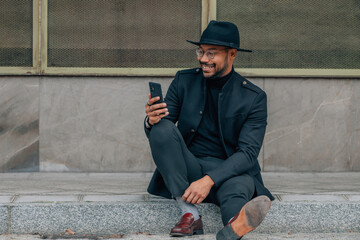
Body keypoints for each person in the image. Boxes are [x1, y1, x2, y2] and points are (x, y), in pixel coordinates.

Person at [144, 20, 274, 240]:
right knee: (162, 128)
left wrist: (208, 181)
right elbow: (162, 137)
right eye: (201, 51)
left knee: (238, 187)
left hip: (230, 171)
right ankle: (190, 214)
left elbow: (248, 154)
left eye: (211, 53)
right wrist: (151, 120)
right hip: (189, 167)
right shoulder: (184, 81)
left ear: (232, 54)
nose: (203, 59)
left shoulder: (253, 98)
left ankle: (233, 227)